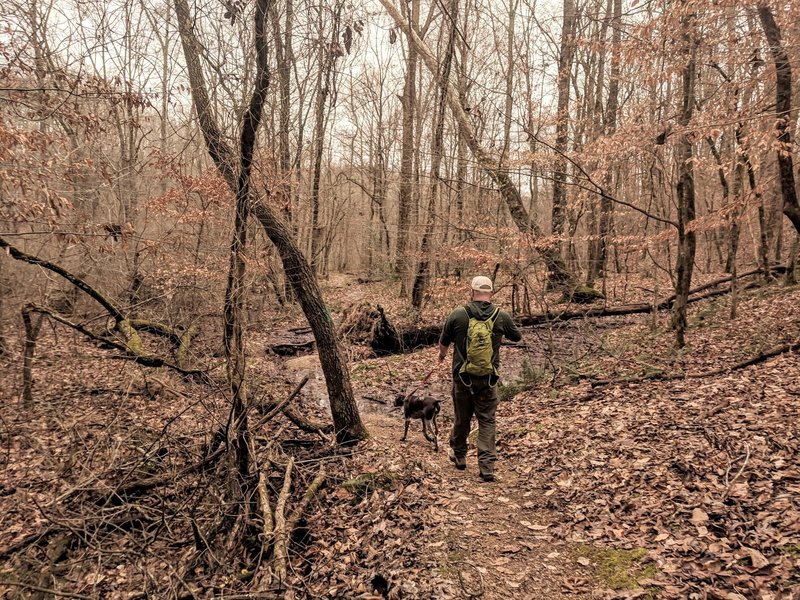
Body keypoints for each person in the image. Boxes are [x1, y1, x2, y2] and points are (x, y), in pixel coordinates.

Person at [438, 275, 522, 482]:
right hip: (488, 379)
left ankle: (459, 455)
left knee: (462, 417)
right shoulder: (500, 316)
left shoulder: (458, 314)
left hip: (462, 377)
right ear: (491, 293)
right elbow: (517, 337)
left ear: (472, 292)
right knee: (487, 420)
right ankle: (487, 467)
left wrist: (441, 356)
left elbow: (443, 341)